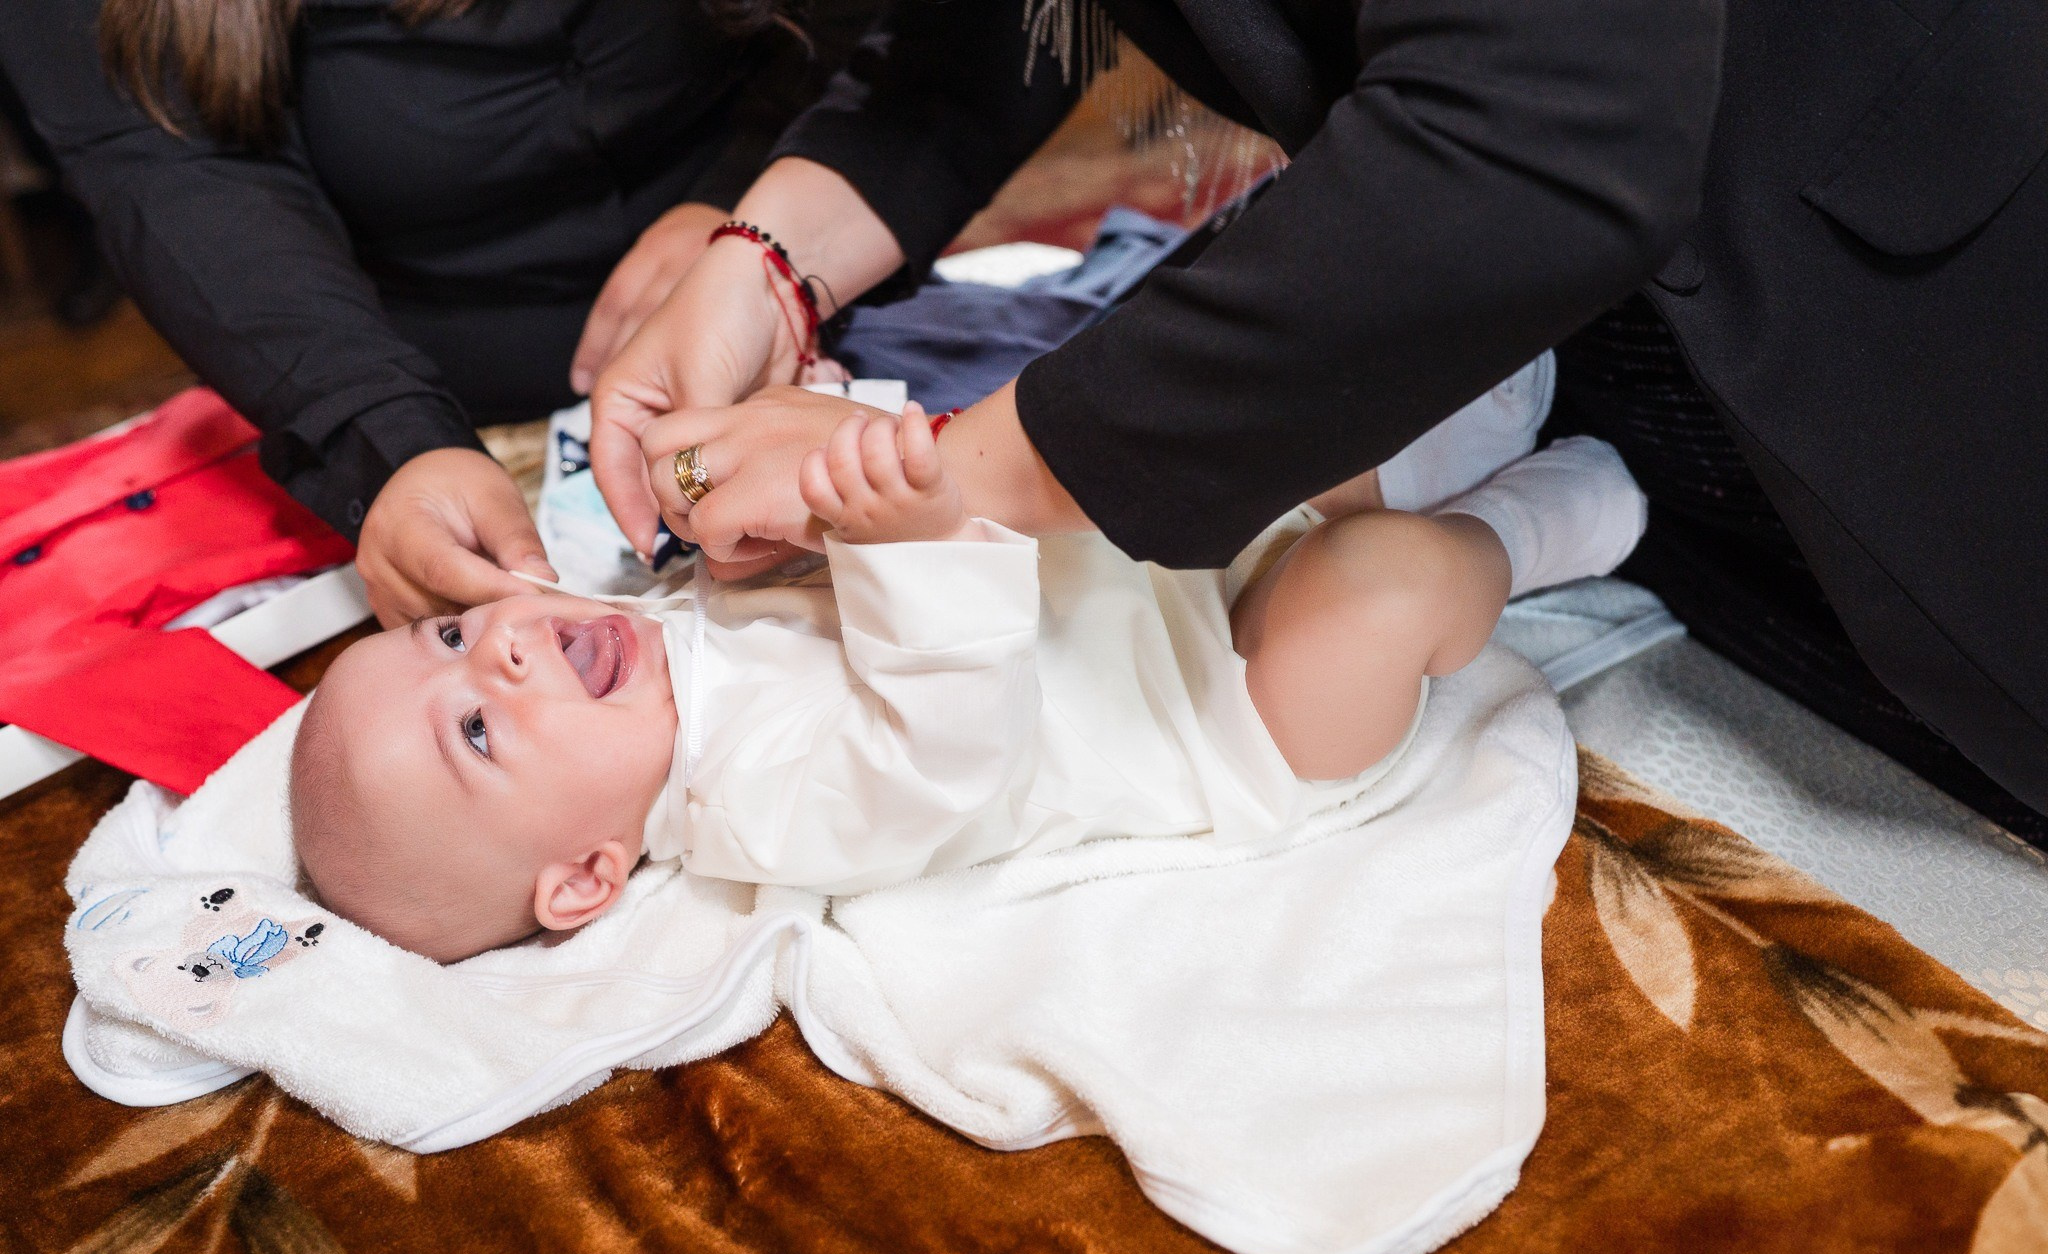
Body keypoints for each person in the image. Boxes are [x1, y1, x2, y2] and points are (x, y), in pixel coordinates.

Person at [588, 0, 2048, 835]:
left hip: (1916, 310)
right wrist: (768, 263)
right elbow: (986, 35)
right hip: (1568, 357)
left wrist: (949, 480)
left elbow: (1537, 137)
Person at [287, 383, 1648, 963]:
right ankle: (1522, 535)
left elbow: (809, 544)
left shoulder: (655, 636)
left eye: (454, 636)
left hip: (1139, 569)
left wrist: (793, 475)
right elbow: (945, 744)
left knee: (1281, 429)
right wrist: (909, 532)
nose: (506, 646)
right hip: (1219, 710)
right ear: (585, 875)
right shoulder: (754, 810)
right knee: (1384, 582)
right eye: (477, 728)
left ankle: (1473, 408)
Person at [0, 0, 882, 624]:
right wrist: (387, 437)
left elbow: (915, 52)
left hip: (832, 279)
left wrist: (755, 216)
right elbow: (178, 179)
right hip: (410, 382)